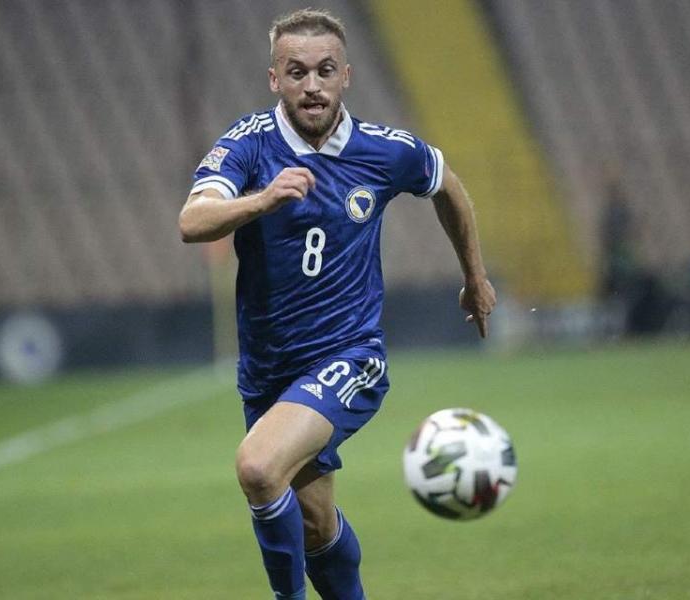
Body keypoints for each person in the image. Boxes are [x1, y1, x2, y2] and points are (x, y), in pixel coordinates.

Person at [179, 9, 496, 599]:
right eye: (296, 72)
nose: (312, 85)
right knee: (316, 524)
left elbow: (448, 186)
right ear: (274, 78)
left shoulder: (383, 150)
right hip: (269, 371)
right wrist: (262, 200)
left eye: (325, 70)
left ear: (345, 75)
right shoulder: (249, 145)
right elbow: (192, 221)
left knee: (257, 467)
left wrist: (474, 278)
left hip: (348, 356)